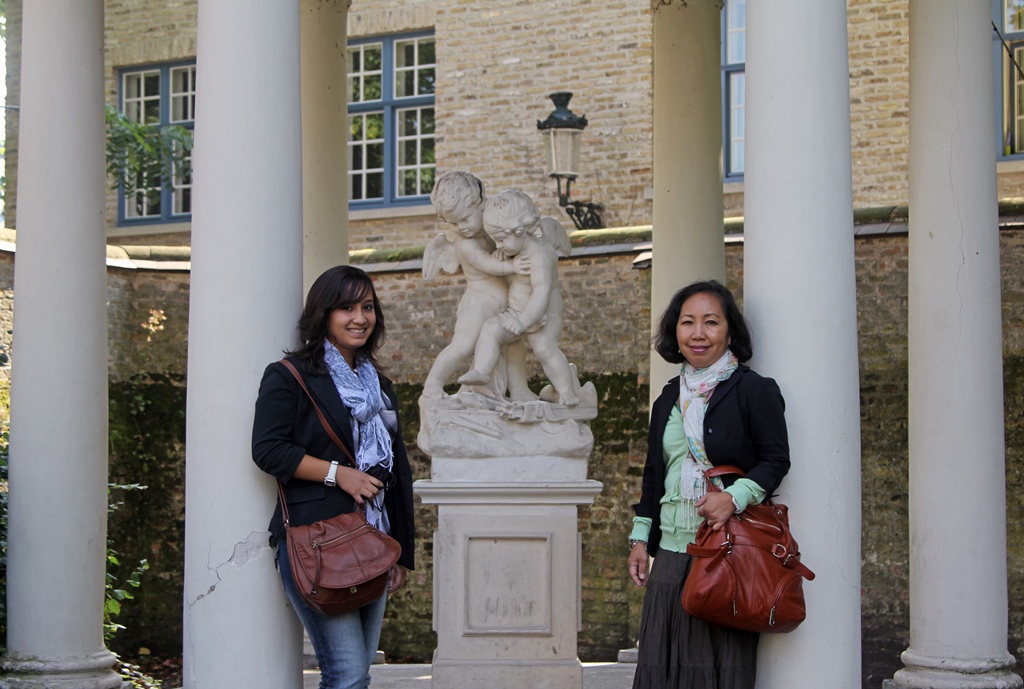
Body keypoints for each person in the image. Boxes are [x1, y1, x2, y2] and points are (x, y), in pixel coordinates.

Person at [252, 265, 415, 689]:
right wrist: (337, 474)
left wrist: (402, 553)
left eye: (367, 307)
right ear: (323, 313)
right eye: (346, 307)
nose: (360, 317)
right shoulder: (290, 375)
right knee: (345, 674)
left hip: (374, 539)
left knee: (357, 676)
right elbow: (268, 449)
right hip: (319, 541)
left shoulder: (379, 385)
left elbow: (397, 470)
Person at [627, 280, 790, 689]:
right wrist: (640, 538)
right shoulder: (668, 397)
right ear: (675, 332)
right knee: (661, 668)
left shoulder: (754, 390)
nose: (698, 333)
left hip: (725, 551)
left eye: (711, 322)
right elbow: (654, 473)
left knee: (714, 671)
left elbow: (775, 460)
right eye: (688, 323)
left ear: (730, 332)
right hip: (671, 554)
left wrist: (733, 499)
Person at [457, 189, 580, 406]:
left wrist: (524, 321)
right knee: (490, 329)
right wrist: (502, 256)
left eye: (501, 239)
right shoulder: (514, 251)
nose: (498, 245)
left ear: (519, 230)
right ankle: (482, 371)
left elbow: (541, 292)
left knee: (545, 349)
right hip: (517, 313)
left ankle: (566, 391)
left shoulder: (540, 253)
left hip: (543, 315)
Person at [422, 171, 533, 401]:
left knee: (514, 346)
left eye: (465, 219)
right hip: (479, 303)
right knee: (464, 345)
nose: (461, 227)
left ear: (481, 204)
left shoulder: (493, 228)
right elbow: (488, 264)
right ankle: (434, 382)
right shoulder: (465, 244)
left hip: (505, 305)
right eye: (453, 223)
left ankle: (520, 390)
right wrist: (513, 266)